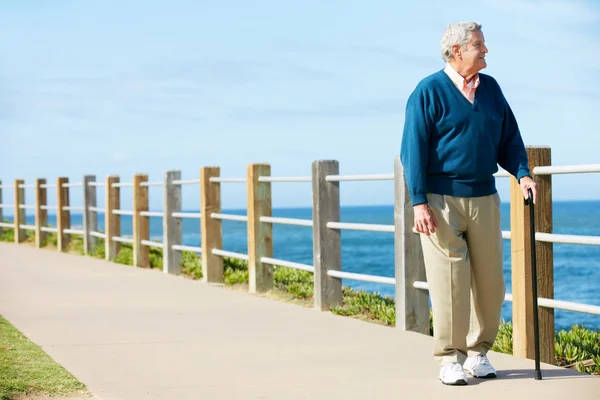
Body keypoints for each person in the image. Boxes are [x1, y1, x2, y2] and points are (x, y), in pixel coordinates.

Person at [400, 21, 538, 385]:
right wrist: (419, 202)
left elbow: (509, 136)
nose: (486, 50)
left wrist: (522, 172)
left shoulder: (491, 90)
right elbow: (412, 150)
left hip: (484, 197)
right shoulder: (428, 91)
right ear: (457, 50)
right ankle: (449, 358)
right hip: (440, 200)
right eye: (479, 44)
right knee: (450, 282)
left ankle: (479, 353)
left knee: (491, 282)